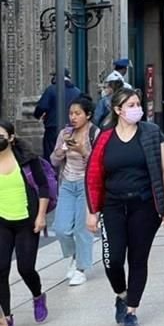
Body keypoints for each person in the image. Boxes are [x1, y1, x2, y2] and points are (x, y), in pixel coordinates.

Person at [85, 88, 164, 326]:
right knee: (112, 259)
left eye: (138, 103)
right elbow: (94, 175)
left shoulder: (151, 133)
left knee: (137, 258)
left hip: (144, 205)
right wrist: (91, 210)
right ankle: (121, 294)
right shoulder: (104, 137)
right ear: (117, 110)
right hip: (113, 205)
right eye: (131, 104)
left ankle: (131, 311)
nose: (137, 108)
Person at [0, 119, 50, 326]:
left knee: (25, 268)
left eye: (1, 135)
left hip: (27, 221)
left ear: (11, 138)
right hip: (2, 222)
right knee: (1, 269)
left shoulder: (28, 160)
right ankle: (7, 317)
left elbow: (43, 187)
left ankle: (38, 295)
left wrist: (40, 216)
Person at [51, 97, 98, 286]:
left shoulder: (95, 133)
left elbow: (98, 164)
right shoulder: (65, 133)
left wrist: (82, 150)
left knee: (82, 229)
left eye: (78, 113)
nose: (73, 117)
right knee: (61, 229)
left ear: (88, 115)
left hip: (86, 185)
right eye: (71, 113)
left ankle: (80, 268)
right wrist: (62, 150)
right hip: (67, 184)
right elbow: (54, 160)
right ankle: (74, 255)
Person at [34, 70, 82, 160]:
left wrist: (37, 115)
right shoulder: (77, 92)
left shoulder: (51, 89)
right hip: (71, 127)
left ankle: (52, 173)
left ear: (56, 77)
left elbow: (41, 107)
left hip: (53, 127)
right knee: (69, 151)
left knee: (51, 153)